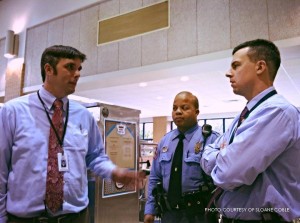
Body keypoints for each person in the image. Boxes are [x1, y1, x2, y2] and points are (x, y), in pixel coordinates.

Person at [0, 45, 144, 223]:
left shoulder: (83, 115)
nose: (77, 74)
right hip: (25, 219)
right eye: (69, 67)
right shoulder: (12, 112)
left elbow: (95, 157)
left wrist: (114, 172)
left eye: (79, 69)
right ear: (48, 69)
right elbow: (1, 169)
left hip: (75, 217)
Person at [200, 39, 300, 223]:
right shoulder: (245, 115)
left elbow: (228, 173)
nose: (228, 73)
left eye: (236, 65)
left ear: (260, 66)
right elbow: (206, 154)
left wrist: (223, 154)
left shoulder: (277, 112)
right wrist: (224, 155)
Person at [144, 91, 220, 223]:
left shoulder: (211, 139)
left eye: (184, 108)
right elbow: (155, 177)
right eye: (174, 108)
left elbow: (221, 179)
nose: (178, 112)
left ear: (196, 112)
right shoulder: (165, 141)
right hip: (169, 214)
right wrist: (150, 209)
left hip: (200, 215)